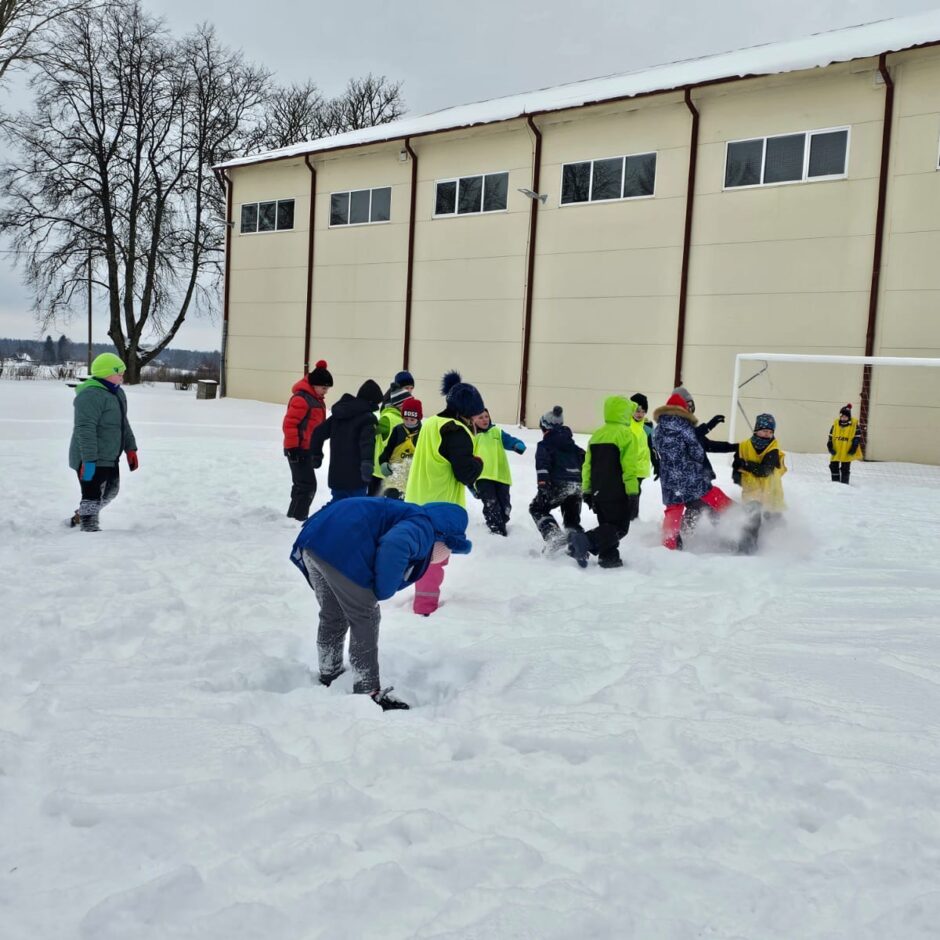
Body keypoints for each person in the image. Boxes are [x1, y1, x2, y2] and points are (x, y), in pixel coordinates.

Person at [290, 498, 472, 711]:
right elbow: (396, 544)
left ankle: (329, 671)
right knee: (366, 616)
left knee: (333, 613)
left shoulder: (410, 515)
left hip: (314, 541)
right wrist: (384, 589)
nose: (445, 557)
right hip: (339, 550)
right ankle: (367, 689)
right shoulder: (424, 528)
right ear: (444, 539)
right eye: (448, 550)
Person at [404, 371, 485, 615]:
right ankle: (424, 609)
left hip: (418, 498)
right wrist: (478, 463)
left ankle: (421, 601)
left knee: (425, 555)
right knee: (434, 559)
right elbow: (465, 473)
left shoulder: (432, 423)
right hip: (440, 505)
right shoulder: (456, 431)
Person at [653, 392, 759, 552]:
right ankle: (739, 517)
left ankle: (669, 545)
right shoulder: (685, 427)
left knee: (673, 510)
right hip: (689, 476)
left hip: (669, 480)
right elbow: (697, 451)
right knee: (711, 494)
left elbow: (656, 449)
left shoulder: (658, 430)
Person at [68, 352, 138, 532]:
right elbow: (85, 429)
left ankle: (81, 515)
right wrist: (88, 460)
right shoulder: (90, 395)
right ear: (105, 373)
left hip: (110, 456)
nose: (122, 376)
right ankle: (89, 530)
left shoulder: (117, 393)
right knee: (91, 496)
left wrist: (130, 448)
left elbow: (123, 423)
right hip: (90, 457)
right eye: (118, 373)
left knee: (111, 492)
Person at [568, 395, 639, 569]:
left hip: (598, 491)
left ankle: (608, 557)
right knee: (619, 527)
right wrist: (633, 492)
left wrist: (587, 490)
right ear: (624, 413)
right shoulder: (626, 435)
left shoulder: (597, 435)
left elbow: (587, 466)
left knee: (607, 525)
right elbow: (629, 468)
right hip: (617, 491)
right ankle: (585, 540)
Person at [310, 379, 383, 502]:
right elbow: (367, 443)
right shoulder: (367, 419)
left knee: (337, 506)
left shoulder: (338, 415)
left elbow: (318, 433)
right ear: (371, 402)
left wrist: (316, 455)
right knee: (355, 507)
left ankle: (325, 515)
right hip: (357, 477)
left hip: (337, 475)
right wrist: (367, 464)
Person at [529, 405, 585, 550]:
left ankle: (553, 536)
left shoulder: (544, 445)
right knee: (571, 518)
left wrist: (543, 484)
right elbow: (585, 460)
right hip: (577, 486)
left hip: (558, 484)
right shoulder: (573, 446)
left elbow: (542, 464)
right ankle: (578, 544)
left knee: (537, 508)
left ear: (545, 428)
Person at [282, 360, 332, 521]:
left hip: (306, 448)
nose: (326, 391)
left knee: (302, 485)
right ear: (314, 385)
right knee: (307, 486)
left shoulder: (316, 399)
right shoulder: (302, 399)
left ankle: (293, 517)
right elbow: (289, 424)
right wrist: (293, 448)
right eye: (324, 388)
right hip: (297, 449)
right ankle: (297, 518)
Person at [471, 409, 526, 536]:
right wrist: (470, 485)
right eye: (480, 417)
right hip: (482, 476)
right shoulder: (472, 436)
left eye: (486, 416)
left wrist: (517, 444)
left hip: (501, 476)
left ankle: (501, 523)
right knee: (491, 503)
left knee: (505, 506)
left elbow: (510, 440)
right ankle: (496, 530)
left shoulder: (496, 432)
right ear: (473, 420)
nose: (485, 420)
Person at [732, 413, 787, 520]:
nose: (768, 434)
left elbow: (765, 471)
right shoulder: (744, 445)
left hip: (770, 491)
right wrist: (738, 475)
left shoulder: (773, 449)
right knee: (752, 521)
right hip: (752, 491)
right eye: (765, 431)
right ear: (757, 430)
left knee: (774, 522)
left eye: (771, 432)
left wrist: (746, 465)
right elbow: (736, 465)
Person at [377, 397, 423, 500]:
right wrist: (383, 462)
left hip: (413, 478)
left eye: (412, 420)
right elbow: (388, 449)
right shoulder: (397, 430)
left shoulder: (423, 433)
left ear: (418, 418)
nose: (408, 422)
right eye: (405, 419)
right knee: (392, 502)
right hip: (395, 475)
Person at [370, 385, 411, 495]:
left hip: (397, 472)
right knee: (374, 502)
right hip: (381, 473)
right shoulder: (388, 418)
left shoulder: (405, 420)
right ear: (401, 405)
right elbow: (369, 431)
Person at [628, 392, 656, 520]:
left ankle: (633, 518)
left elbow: (652, 447)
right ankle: (629, 518)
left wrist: (656, 463)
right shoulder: (626, 425)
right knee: (630, 492)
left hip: (640, 467)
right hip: (627, 465)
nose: (640, 414)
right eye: (637, 411)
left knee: (635, 491)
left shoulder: (648, 427)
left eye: (643, 411)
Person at [828, 403, 863, 484]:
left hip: (847, 450)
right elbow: (830, 436)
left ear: (849, 417)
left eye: (845, 416)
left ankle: (844, 484)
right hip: (836, 449)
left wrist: (854, 447)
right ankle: (835, 483)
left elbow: (857, 437)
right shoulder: (835, 424)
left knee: (845, 468)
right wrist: (829, 445)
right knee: (833, 466)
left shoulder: (854, 425)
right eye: (842, 416)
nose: (843, 418)